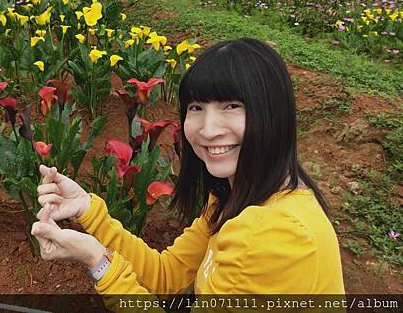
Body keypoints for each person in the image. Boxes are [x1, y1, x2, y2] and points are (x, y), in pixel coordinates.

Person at [32, 38, 345, 297]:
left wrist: (98, 262)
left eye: (232, 106)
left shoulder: (274, 236)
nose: (208, 129)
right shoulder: (234, 197)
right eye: (196, 108)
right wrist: (87, 209)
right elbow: (167, 274)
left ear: (273, 114)